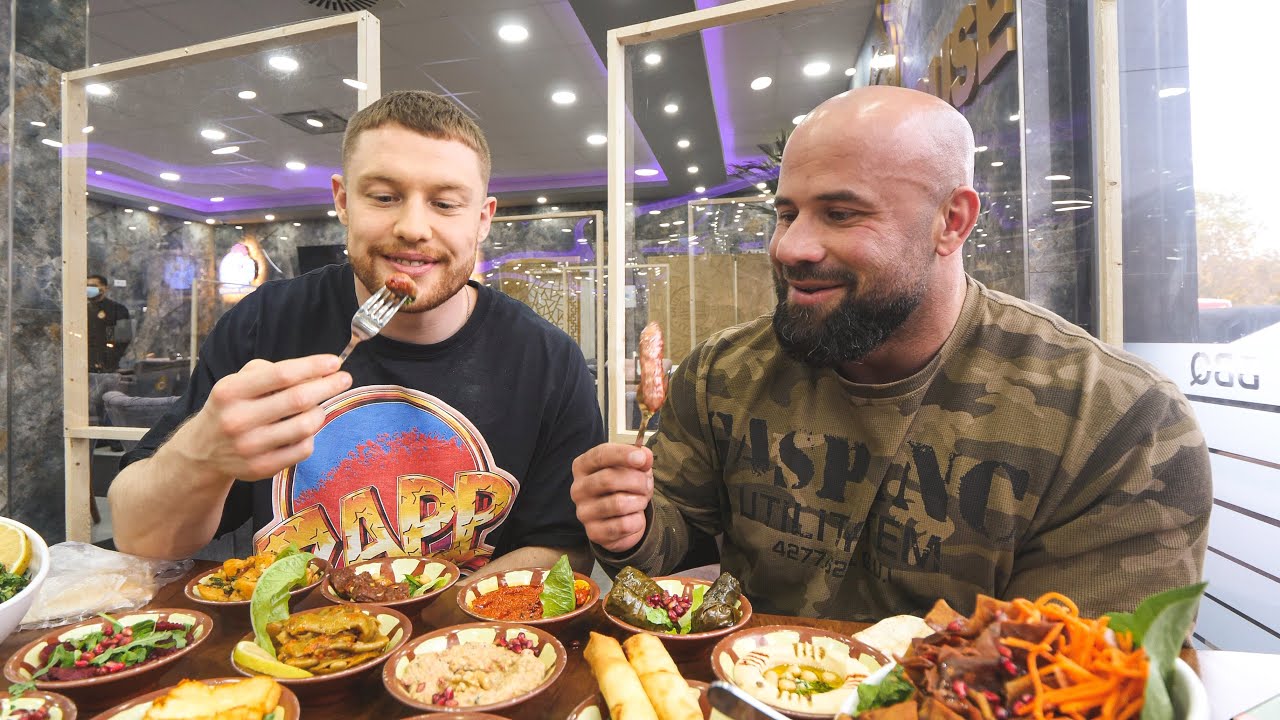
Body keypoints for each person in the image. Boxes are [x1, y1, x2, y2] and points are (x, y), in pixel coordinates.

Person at [571, 86, 1211, 620]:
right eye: (786, 213)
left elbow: (1080, 677)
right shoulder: (723, 374)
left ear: (951, 221)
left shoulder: (1119, 423)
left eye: (842, 214)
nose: (791, 247)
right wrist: (630, 528)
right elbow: (678, 551)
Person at [110, 91, 603, 576]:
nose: (413, 227)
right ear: (343, 201)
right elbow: (142, 540)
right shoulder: (265, 325)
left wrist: (418, 621)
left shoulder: (549, 360)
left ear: (482, 219)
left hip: (465, 649)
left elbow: (565, 549)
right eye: (384, 197)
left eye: (446, 204)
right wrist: (203, 453)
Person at [87, 274, 131, 373]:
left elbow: (123, 339)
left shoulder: (117, 310)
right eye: (87, 286)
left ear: (104, 288)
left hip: (107, 366)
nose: (89, 289)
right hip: (84, 364)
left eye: (93, 286)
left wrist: (108, 362)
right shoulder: (83, 310)